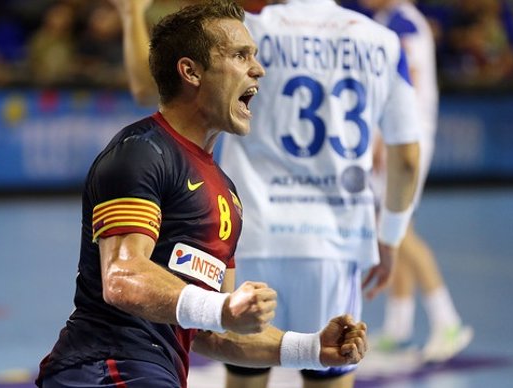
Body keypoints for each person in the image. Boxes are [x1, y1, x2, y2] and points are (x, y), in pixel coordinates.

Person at [36, 2, 368, 388]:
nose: (258, 69)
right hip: (105, 369)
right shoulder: (141, 152)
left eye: (255, 57)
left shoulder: (226, 194)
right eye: (240, 56)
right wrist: (224, 308)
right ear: (191, 71)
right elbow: (122, 277)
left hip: (152, 373)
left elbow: (214, 331)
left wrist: (310, 348)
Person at [110, 0, 420, 387]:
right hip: (334, 242)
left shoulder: (246, 29)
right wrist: (390, 238)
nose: (254, 66)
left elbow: (147, 87)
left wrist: (130, 14)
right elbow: (406, 157)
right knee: (330, 364)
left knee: (242, 366)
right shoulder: (384, 42)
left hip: (251, 233)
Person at [358, 0, 473, 364]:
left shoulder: (402, 24)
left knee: (399, 229)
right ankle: (398, 325)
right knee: (392, 225)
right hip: (400, 134)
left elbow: (401, 85)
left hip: (404, 136)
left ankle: (448, 320)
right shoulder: (390, 20)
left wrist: (379, 136)